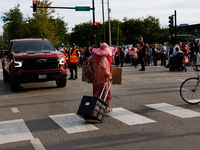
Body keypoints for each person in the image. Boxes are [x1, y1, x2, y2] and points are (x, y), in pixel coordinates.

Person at [88, 43, 116, 113]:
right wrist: (108, 75)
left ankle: (95, 107)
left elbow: (89, 61)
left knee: (96, 93)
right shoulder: (103, 58)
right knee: (104, 94)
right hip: (104, 79)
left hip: (96, 78)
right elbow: (103, 67)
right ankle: (104, 108)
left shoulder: (94, 56)